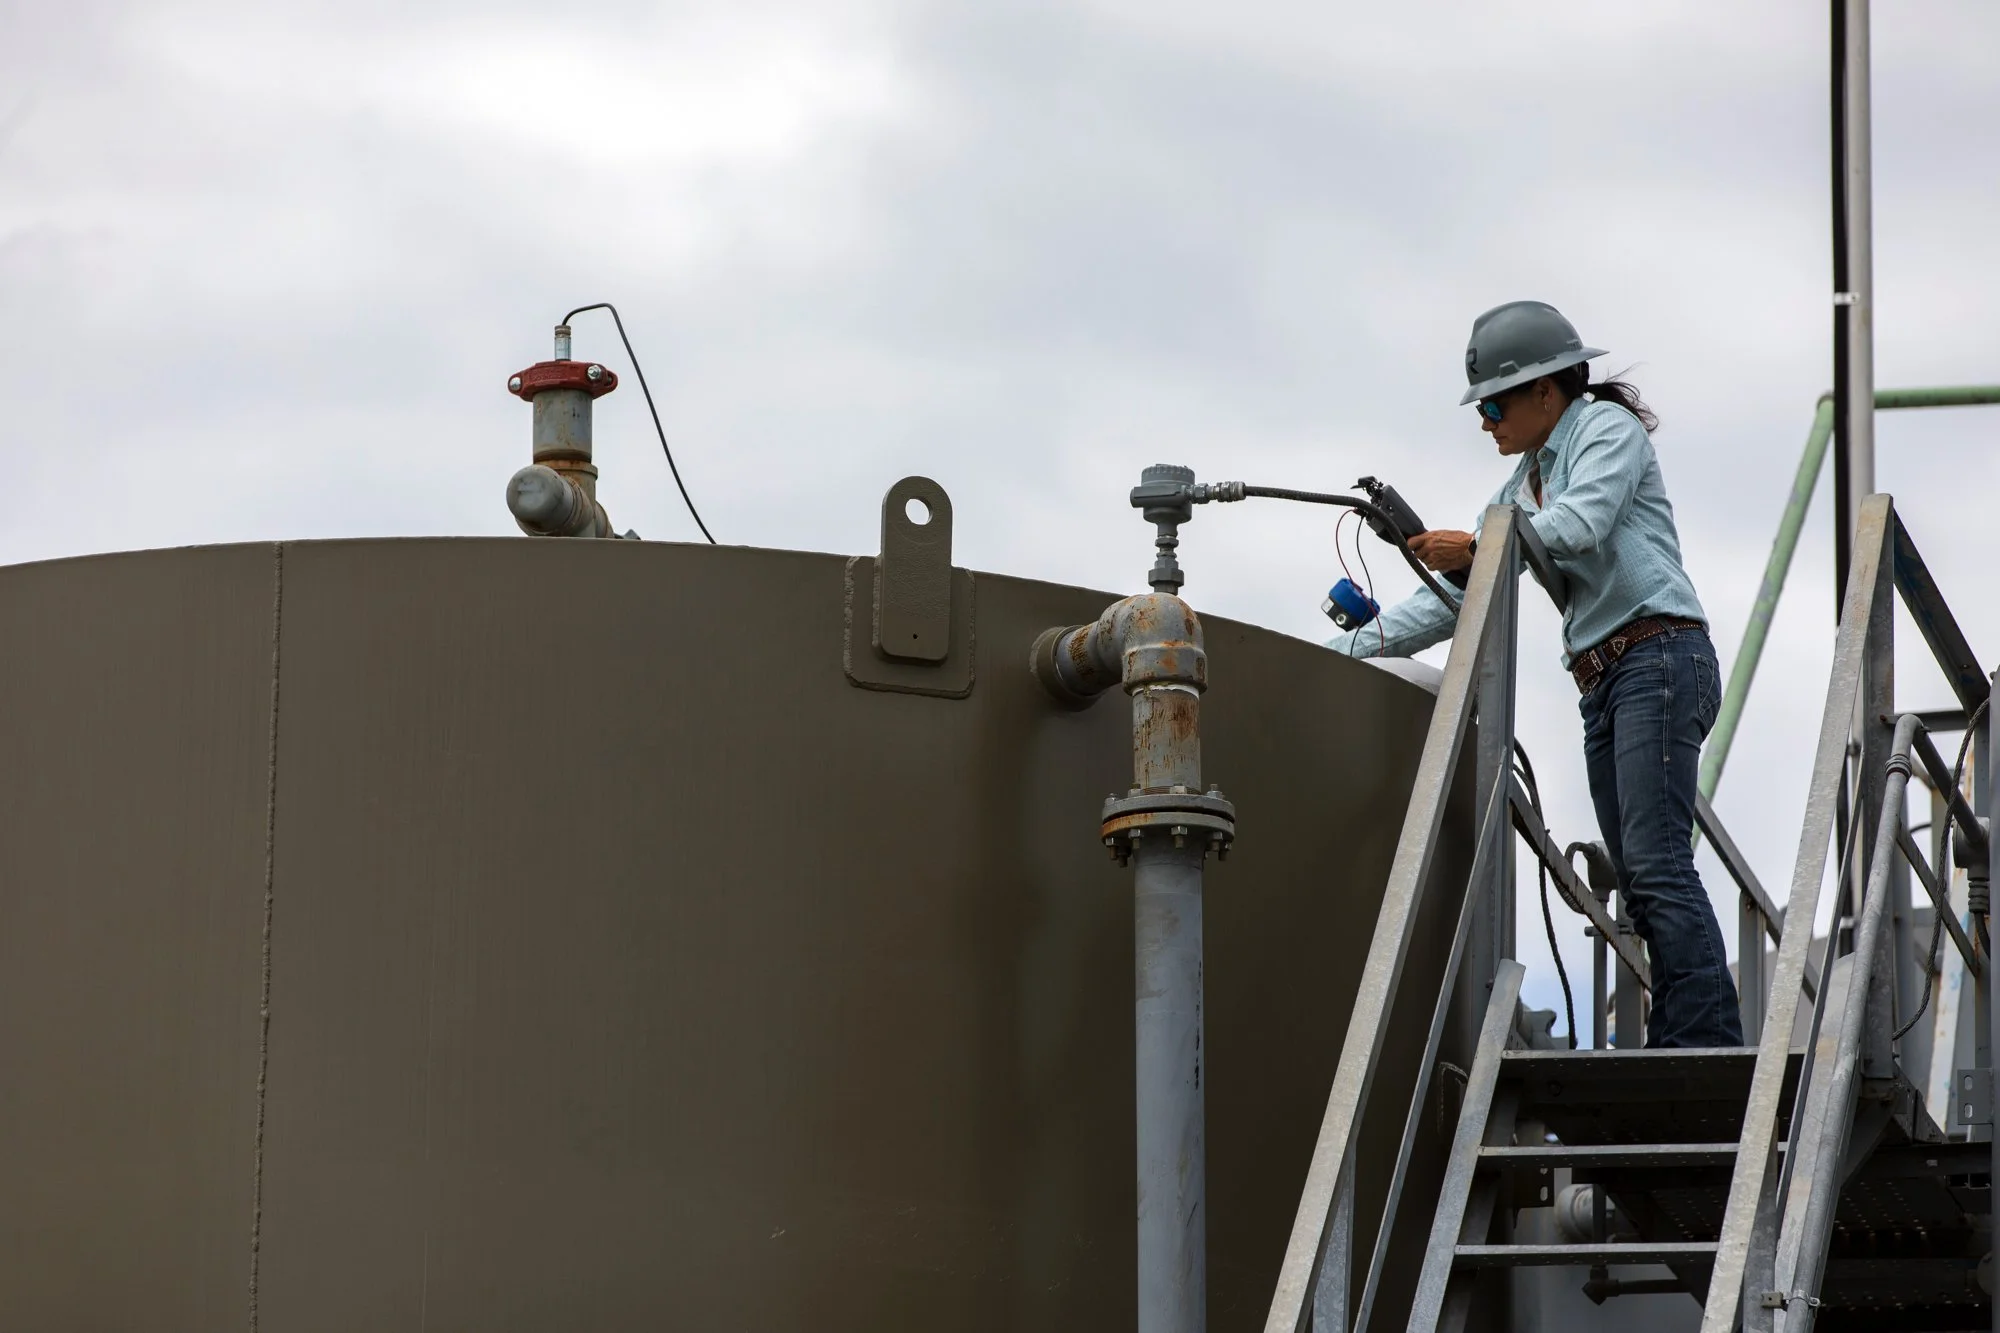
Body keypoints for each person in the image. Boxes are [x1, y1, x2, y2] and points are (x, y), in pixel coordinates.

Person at [1328, 300, 1742, 1049]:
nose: (1487, 420)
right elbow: (1455, 599)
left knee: (1654, 863)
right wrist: (1352, 653)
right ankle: (1683, 1035)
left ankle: (1703, 1041)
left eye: (1494, 403)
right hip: (1608, 681)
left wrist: (1480, 542)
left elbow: (1579, 525)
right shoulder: (1519, 489)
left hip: (1659, 655)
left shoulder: (1604, 433)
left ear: (1546, 391)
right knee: (1645, 877)